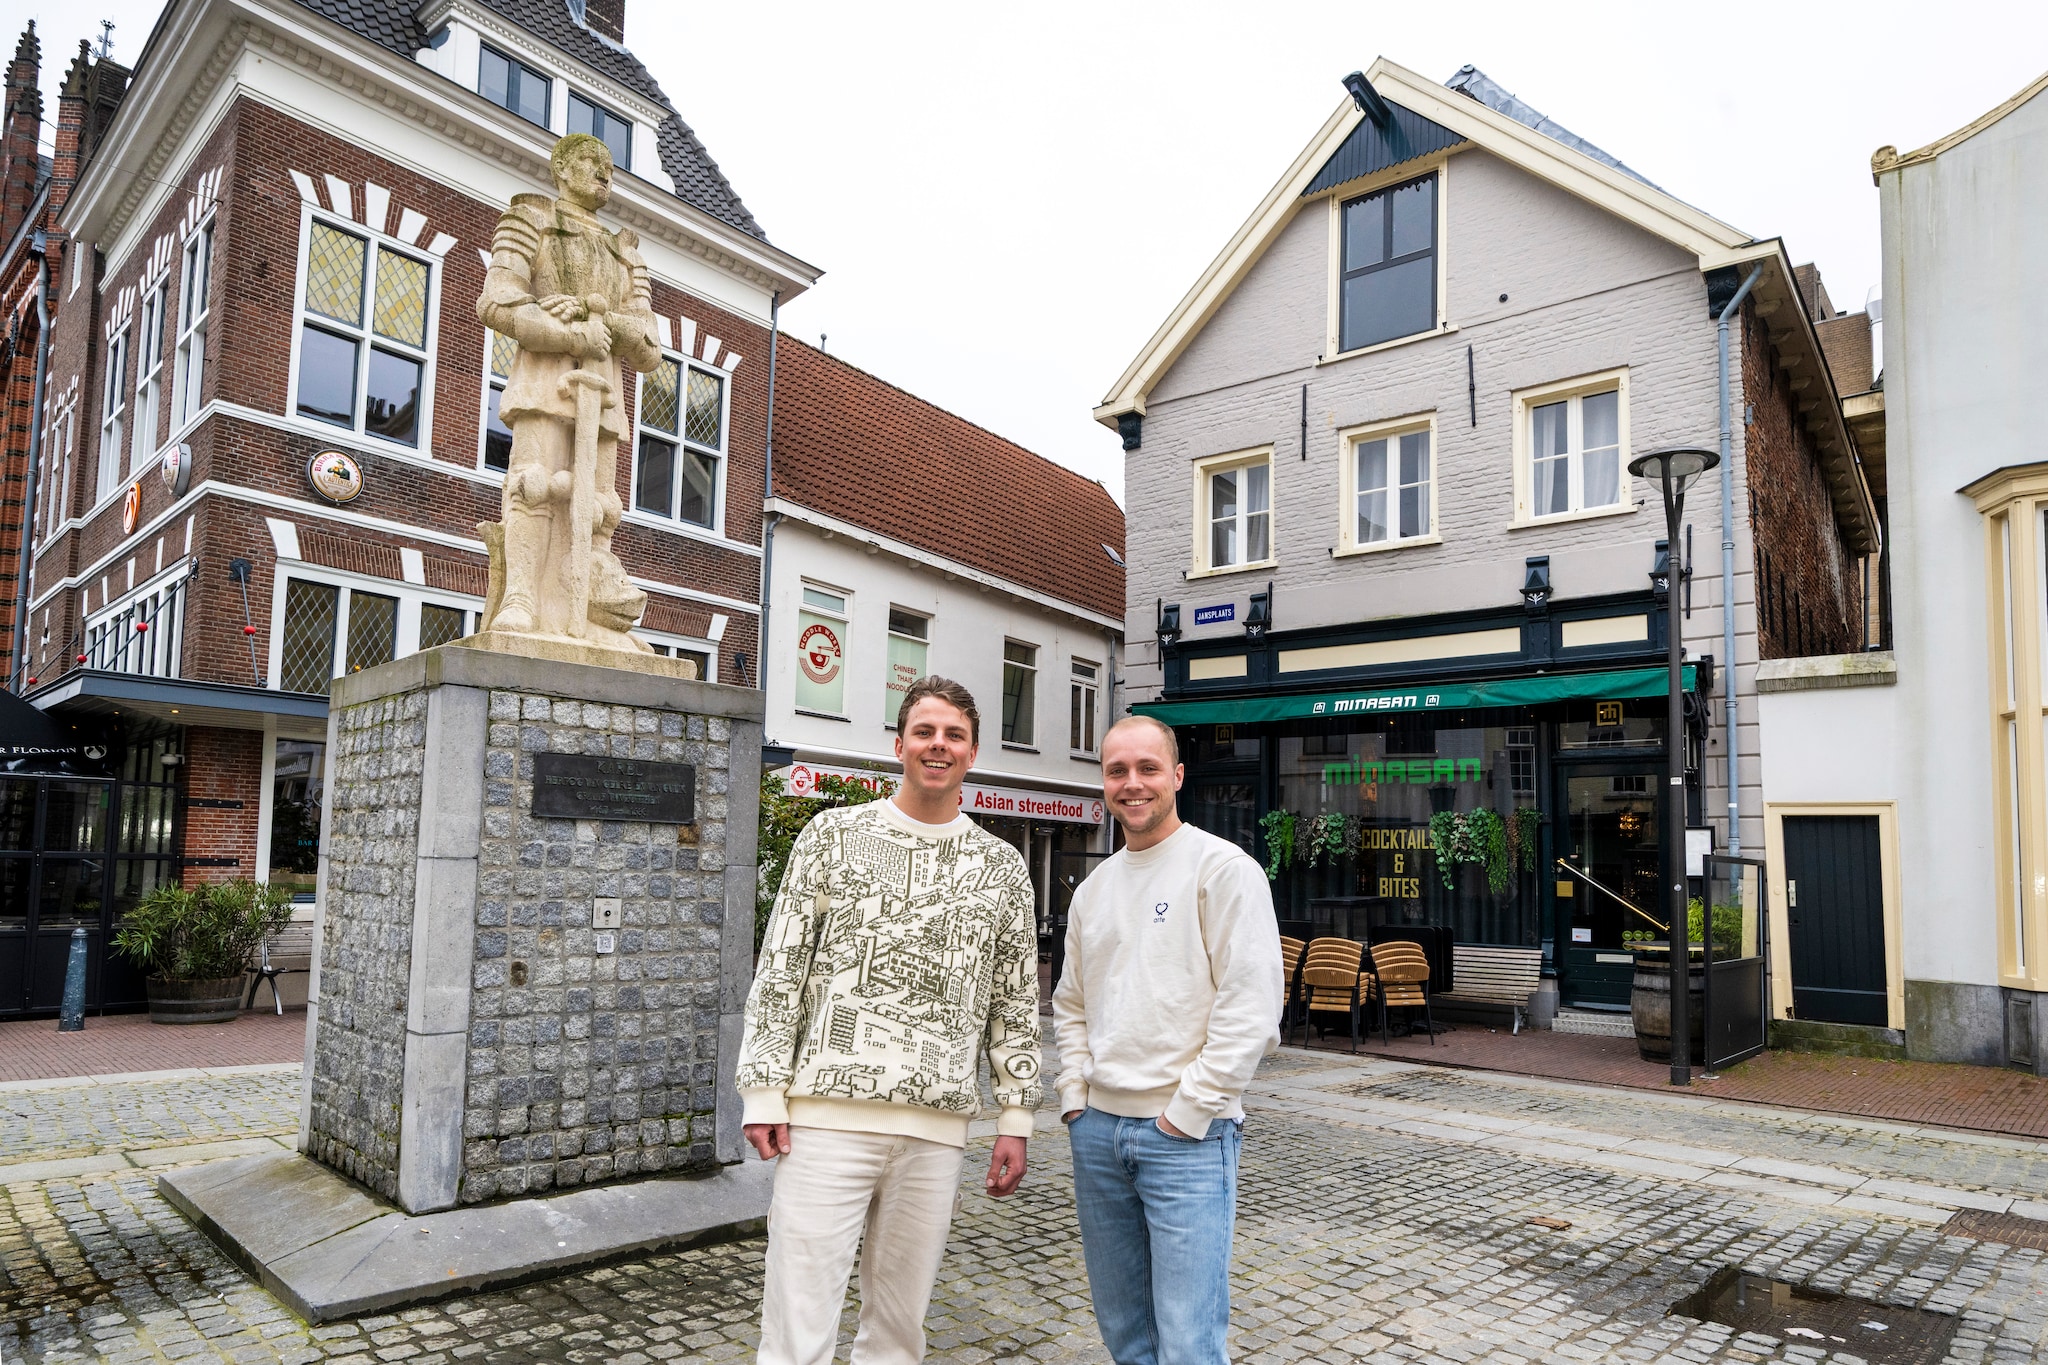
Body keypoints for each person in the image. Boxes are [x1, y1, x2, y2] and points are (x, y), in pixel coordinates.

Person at [737, 676, 1042, 1365]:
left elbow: (1015, 1000)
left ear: (972, 753)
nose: (939, 745)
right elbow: (781, 966)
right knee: (797, 1320)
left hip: (935, 1131)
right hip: (826, 1122)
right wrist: (763, 1091)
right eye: (925, 731)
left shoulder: (1002, 867)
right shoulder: (832, 836)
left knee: (899, 1330)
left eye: (954, 735)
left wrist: (1016, 1118)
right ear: (899, 744)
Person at [1053, 714, 1282, 1365]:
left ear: (1177, 775)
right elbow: (1070, 1003)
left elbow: (1252, 1006)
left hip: (1188, 1139)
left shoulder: (1223, 869)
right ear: (1103, 782)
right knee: (1126, 1333)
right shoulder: (1093, 890)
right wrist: (1074, 1098)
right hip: (1099, 1133)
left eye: (1147, 767)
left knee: (1188, 1343)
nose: (1132, 783)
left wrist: (1187, 1112)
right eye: (1117, 770)